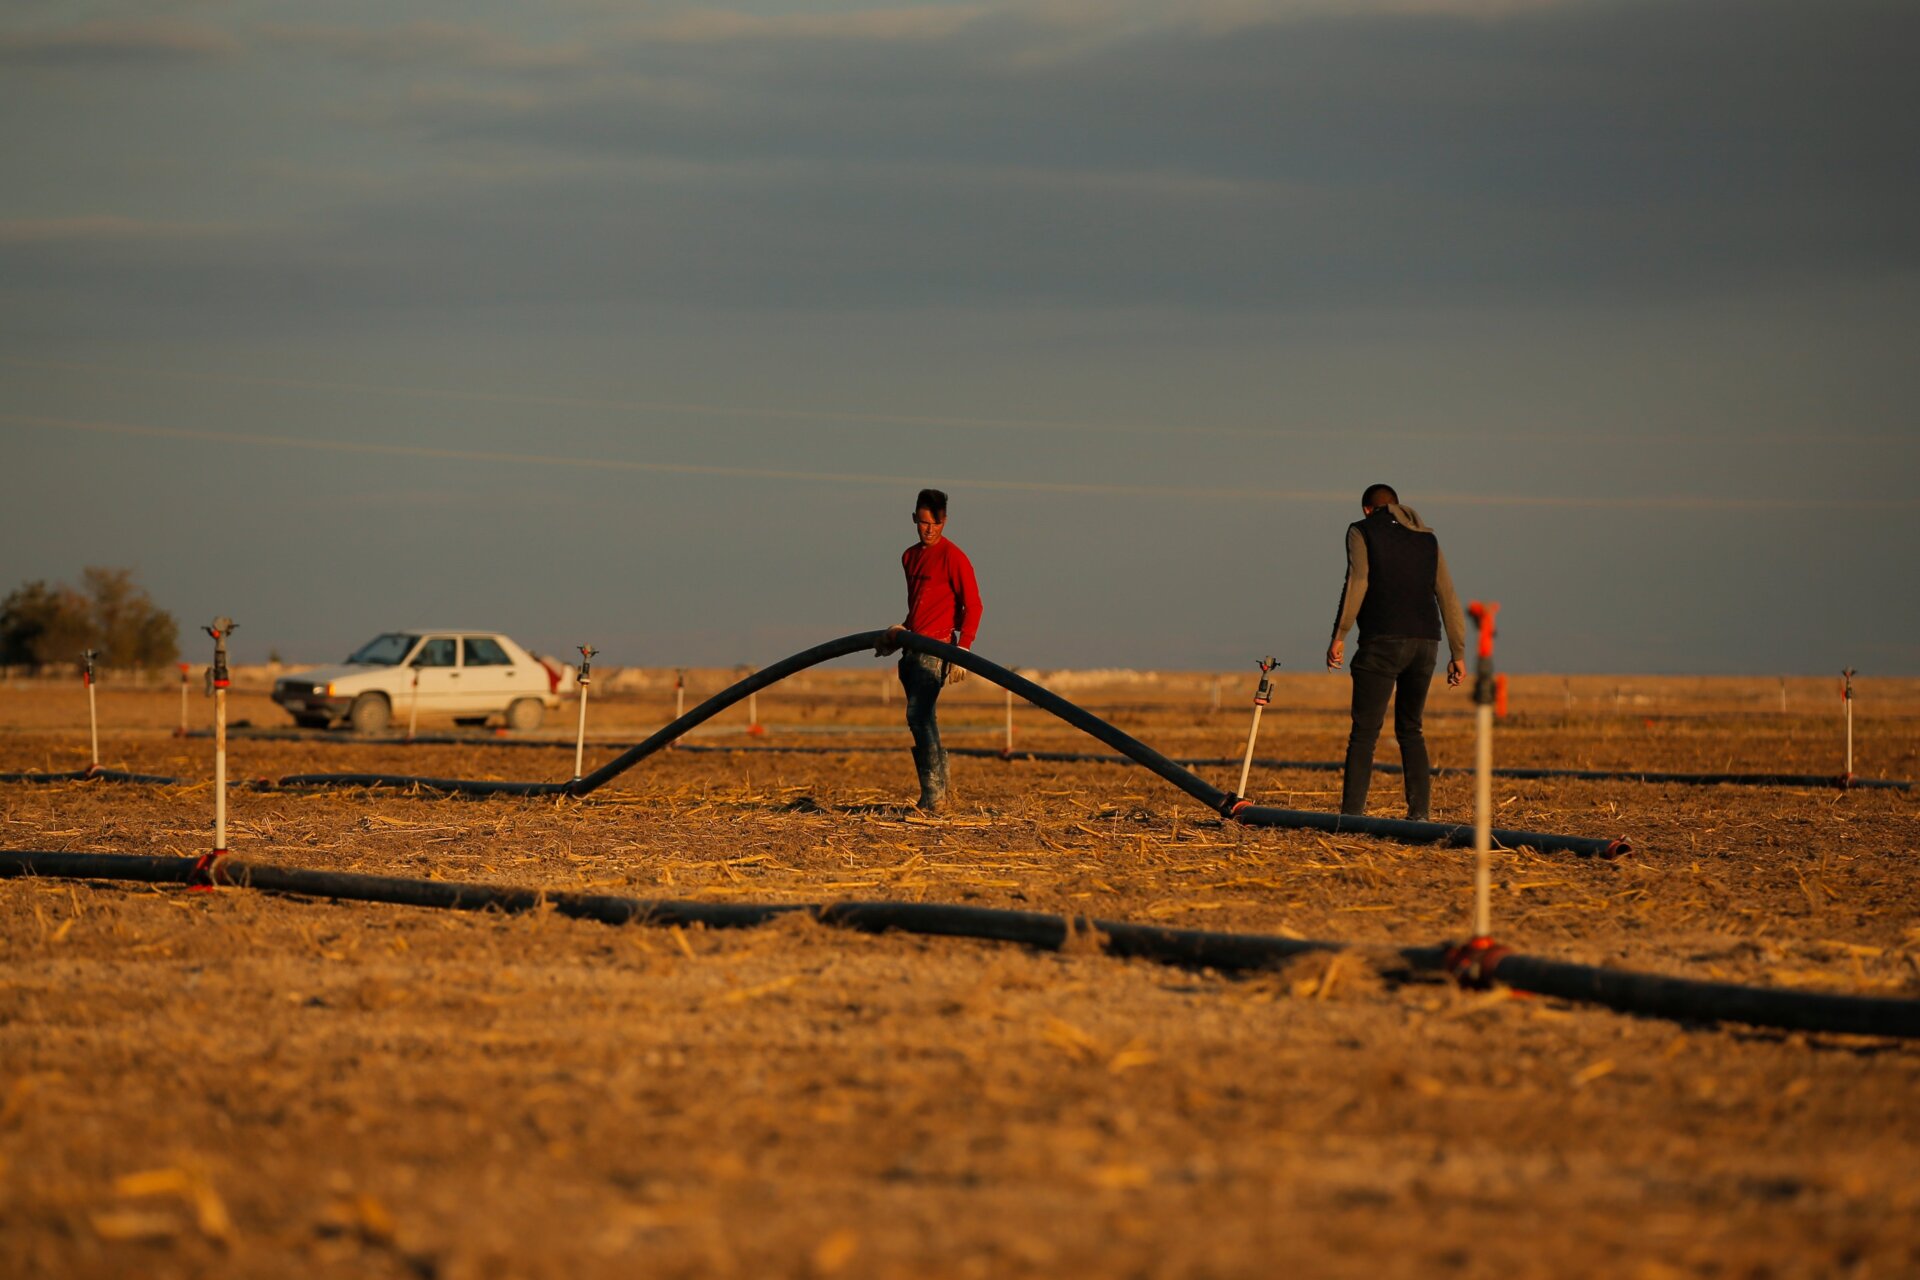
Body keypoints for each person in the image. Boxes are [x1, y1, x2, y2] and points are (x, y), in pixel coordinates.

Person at [1325, 483, 1466, 822]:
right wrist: (1457, 652)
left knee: (1364, 733)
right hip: (1426, 644)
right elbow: (1447, 594)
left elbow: (1358, 580)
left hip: (1382, 642)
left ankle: (1352, 817)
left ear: (1367, 510)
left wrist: (1340, 634)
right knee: (1411, 729)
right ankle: (1420, 817)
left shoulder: (1361, 531)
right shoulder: (1427, 539)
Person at [876, 488, 983, 812]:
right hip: (913, 647)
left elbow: (973, 605)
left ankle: (934, 795)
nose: (929, 529)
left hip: (936, 649)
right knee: (925, 718)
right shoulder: (910, 557)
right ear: (914, 520)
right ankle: (941, 794)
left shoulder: (954, 557)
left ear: (944, 522)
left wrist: (962, 648)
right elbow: (919, 605)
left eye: (935, 523)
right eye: (923, 522)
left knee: (917, 715)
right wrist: (901, 631)